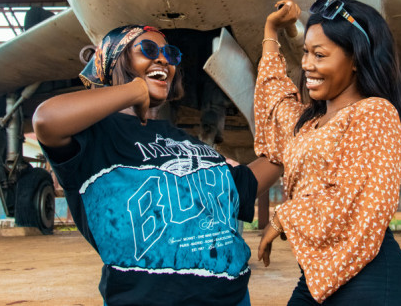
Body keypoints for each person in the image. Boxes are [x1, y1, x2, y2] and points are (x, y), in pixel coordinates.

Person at [34, 24, 280, 306]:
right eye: (148, 50)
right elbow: (46, 120)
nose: (163, 59)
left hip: (233, 298)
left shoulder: (185, 141)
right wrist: (133, 90)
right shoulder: (96, 136)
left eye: (170, 54)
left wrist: (297, 142)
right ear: (114, 61)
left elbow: (239, 187)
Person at [254, 0, 401, 305]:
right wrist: (271, 31)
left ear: (355, 59)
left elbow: (350, 199)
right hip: (319, 278)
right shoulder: (308, 124)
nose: (308, 64)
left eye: (320, 55)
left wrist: (283, 216)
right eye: (306, 52)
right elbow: (274, 99)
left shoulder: (375, 115)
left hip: (372, 285)